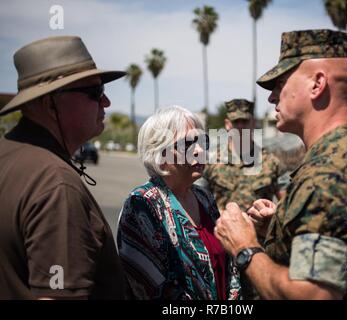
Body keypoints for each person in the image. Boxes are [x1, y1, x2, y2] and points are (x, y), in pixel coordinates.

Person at [214, 29, 347, 300]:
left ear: (317, 84)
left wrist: (245, 247)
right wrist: (280, 230)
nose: (272, 98)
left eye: (280, 84)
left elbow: (310, 295)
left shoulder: (329, 175)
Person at [0, 36, 126, 299]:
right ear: (50, 105)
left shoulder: (11, 153)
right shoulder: (55, 184)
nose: (106, 103)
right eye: (95, 93)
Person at [117, 106, 241, 300]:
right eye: (188, 144)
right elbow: (152, 287)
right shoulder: (142, 204)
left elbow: (229, 268)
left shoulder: (204, 198)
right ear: (160, 152)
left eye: (203, 141)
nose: (200, 150)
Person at [196, 98, 280, 299]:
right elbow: (196, 205)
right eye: (236, 122)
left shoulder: (271, 162)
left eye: (245, 121)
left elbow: (284, 205)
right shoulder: (211, 161)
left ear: (254, 123)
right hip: (220, 252)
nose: (240, 127)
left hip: (257, 254)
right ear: (227, 125)